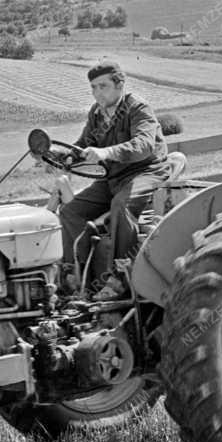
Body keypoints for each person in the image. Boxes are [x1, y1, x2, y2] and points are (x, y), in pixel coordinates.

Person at [59, 59, 169, 299]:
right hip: (114, 177)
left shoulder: (138, 109)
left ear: (120, 85)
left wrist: (106, 152)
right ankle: (76, 275)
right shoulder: (97, 114)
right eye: (93, 87)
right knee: (70, 211)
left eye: (103, 86)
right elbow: (84, 145)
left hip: (147, 171)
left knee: (122, 205)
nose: (97, 92)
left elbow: (143, 146)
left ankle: (120, 277)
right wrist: (63, 156)